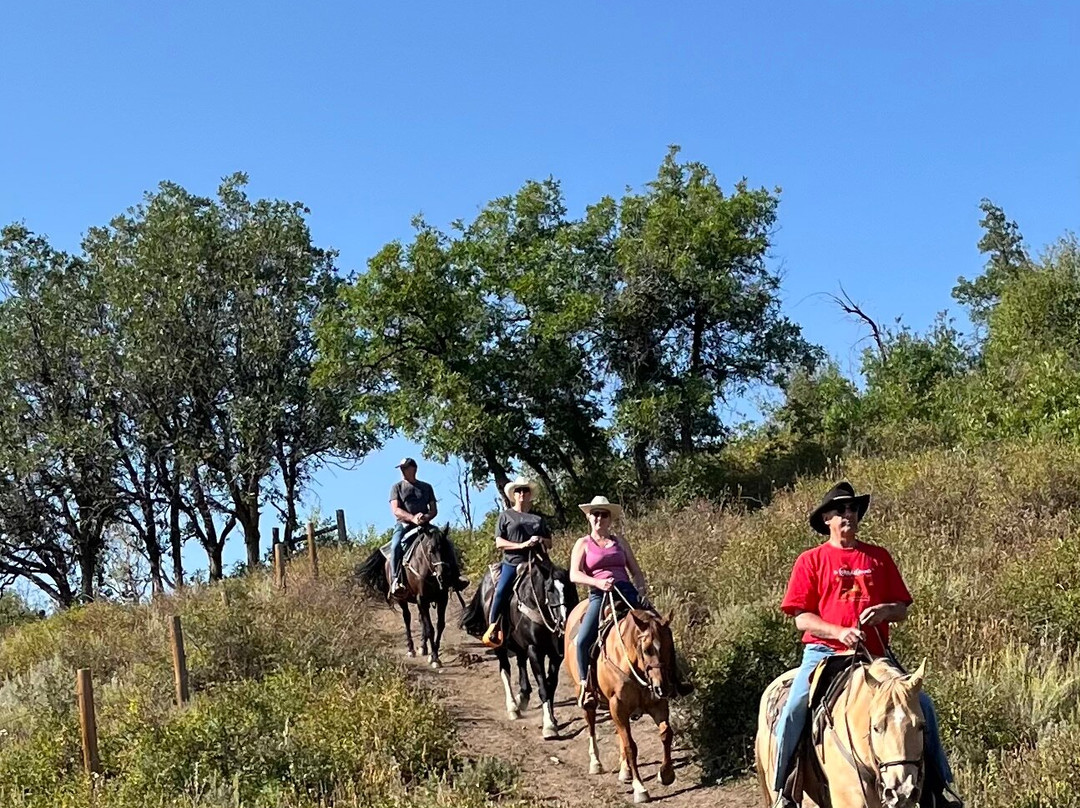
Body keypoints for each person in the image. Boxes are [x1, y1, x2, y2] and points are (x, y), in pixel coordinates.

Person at [772, 482, 961, 808]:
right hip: (824, 652)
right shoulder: (811, 560)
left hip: (875, 655)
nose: (848, 514)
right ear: (827, 519)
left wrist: (885, 611)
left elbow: (901, 608)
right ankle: (785, 789)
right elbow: (801, 618)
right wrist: (837, 631)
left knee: (923, 706)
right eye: (841, 510)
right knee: (793, 708)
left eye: (853, 509)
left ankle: (936, 788)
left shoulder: (878, 557)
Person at [568, 495, 648, 708]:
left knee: (658, 628)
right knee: (584, 639)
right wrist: (597, 582)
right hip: (600, 593)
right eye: (595, 514)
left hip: (625, 590)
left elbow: (636, 572)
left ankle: (673, 678)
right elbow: (574, 575)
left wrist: (641, 592)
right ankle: (586, 686)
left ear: (609, 518)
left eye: (604, 514)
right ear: (589, 517)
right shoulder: (582, 543)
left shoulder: (620, 542)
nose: (599, 518)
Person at [481, 476, 552, 648]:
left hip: (536, 562)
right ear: (514, 494)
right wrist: (522, 545)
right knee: (501, 590)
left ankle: (560, 622)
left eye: (525, 490)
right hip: (513, 562)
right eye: (518, 490)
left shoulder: (538, 519)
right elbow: (499, 542)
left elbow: (550, 543)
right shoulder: (505, 516)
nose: (522, 493)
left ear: (529, 494)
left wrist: (540, 540)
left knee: (557, 584)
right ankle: (493, 626)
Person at [388, 457, 466, 594]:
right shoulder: (397, 487)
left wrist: (425, 517)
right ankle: (396, 580)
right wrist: (412, 518)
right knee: (395, 546)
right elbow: (396, 510)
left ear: (414, 469)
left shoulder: (426, 487)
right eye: (401, 468)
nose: (403, 471)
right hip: (404, 525)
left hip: (425, 525)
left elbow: (434, 510)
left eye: (406, 468)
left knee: (445, 542)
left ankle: (455, 577)